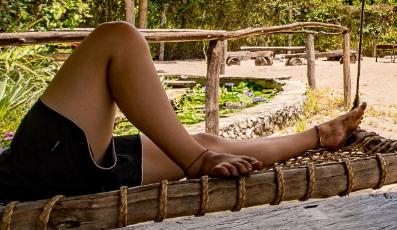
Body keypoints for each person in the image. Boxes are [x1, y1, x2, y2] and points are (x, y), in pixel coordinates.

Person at [0, 21, 365, 203]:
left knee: (206, 139)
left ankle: (319, 134)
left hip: (52, 168)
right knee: (117, 38)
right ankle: (197, 161)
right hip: (31, 172)